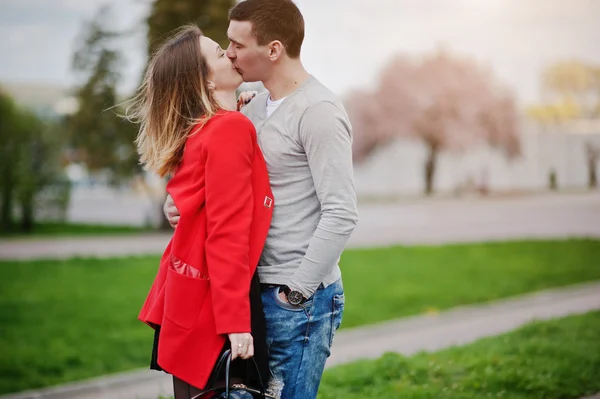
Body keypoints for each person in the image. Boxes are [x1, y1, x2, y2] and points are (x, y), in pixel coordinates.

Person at [164, 1, 359, 398]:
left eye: (236, 44)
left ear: (272, 50)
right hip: (252, 291)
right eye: (226, 46)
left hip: (296, 298)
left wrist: (297, 293)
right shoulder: (250, 106)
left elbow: (341, 212)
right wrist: (183, 203)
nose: (230, 52)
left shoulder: (319, 111)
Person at [131, 25, 274, 399]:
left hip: (188, 300)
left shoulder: (203, 128)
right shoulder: (229, 130)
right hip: (215, 308)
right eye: (218, 52)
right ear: (205, 81)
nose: (230, 53)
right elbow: (227, 233)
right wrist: (236, 323)